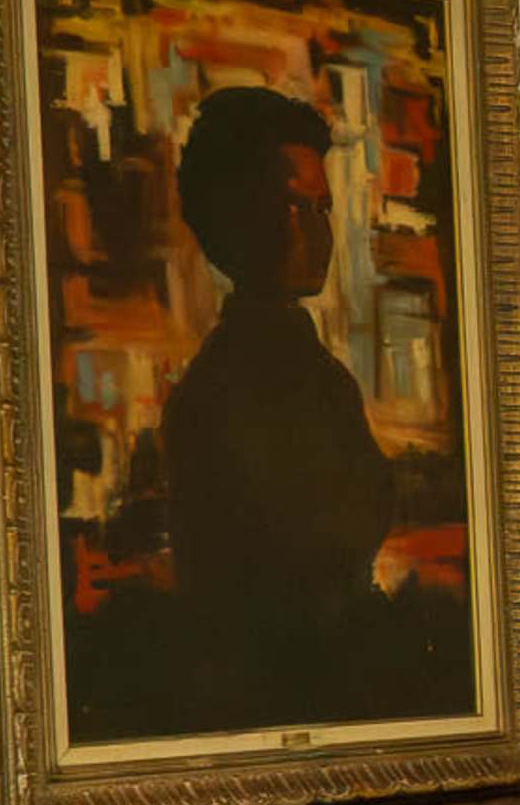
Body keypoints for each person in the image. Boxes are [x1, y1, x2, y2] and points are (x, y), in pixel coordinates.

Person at [158, 85, 395, 721]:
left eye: (322, 208)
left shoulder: (311, 370)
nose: (319, 232)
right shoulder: (232, 385)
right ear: (239, 216)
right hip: (280, 696)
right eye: (295, 207)